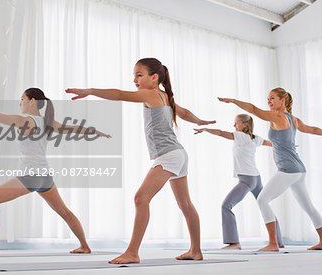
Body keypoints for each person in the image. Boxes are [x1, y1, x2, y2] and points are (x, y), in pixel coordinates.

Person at [66, 58, 215, 264]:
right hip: (178, 154)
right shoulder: (164, 95)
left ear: (154, 77)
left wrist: (90, 91)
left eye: (139, 75)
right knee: (185, 204)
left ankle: (133, 252)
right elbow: (184, 113)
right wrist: (199, 121)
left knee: (141, 199)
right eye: (134, 75)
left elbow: (119, 95)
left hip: (169, 155)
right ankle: (195, 251)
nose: (135, 80)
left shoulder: (150, 94)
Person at [0, 87, 109, 256]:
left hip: (31, 177)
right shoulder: (48, 122)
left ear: (32, 101)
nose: (19, 102)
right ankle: (84, 246)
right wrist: (96, 132)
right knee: (65, 212)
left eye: (22, 98)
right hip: (45, 178)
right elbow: (73, 128)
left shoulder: (24, 121)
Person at [218, 87, 322, 251]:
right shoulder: (293, 119)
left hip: (288, 170)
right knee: (308, 207)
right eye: (268, 99)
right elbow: (312, 129)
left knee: (262, 200)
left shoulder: (278, 116)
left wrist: (234, 101)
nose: (269, 102)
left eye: (272, 98)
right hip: (299, 170)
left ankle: (272, 243)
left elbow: (254, 110)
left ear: (282, 101)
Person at [194, 114, 284, 249]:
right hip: (256, 179)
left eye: (236, 123)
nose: (234, 126)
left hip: (247, 179)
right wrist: (287, 146)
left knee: (226, 206)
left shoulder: (240, 136)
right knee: (265, 206)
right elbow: (270, 143)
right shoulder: (255, 138)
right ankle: (278, 242)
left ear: (245, 125)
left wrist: (206, 130)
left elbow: (221, 133)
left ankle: (234, 243)